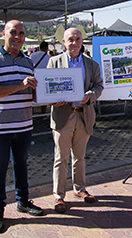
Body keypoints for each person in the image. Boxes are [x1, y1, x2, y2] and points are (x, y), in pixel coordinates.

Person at [0, 20, 43, 234]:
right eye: (13, 32)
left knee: (21, 165)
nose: (18, 37)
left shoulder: (28, 61)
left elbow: (32, 93)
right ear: (4, 34)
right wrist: (20, 85)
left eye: (21, 33)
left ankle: (23, 202)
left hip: (24, 124)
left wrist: (51, 93)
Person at [47, 28, 104, 213]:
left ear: (82, 42)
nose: (74, 42)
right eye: (70, 39)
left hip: (83, 115)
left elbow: (99, 86)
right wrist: (54, 99)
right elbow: (48, 87)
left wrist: (90, 95)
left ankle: (79, 189)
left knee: (79, 157)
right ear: (64, 42)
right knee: (61, 158)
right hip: (63, 115)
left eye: (78, 39)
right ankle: (59, 196)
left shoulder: (92, 64)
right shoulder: (54, 62)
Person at [30, 41, 51, 116]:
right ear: (47, 48)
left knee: (32, 97)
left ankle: (31, 115)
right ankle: (43, 115)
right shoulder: (49, 57)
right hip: (43, 79)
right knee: (43, 97)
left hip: (33, 78)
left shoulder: (33, 55)